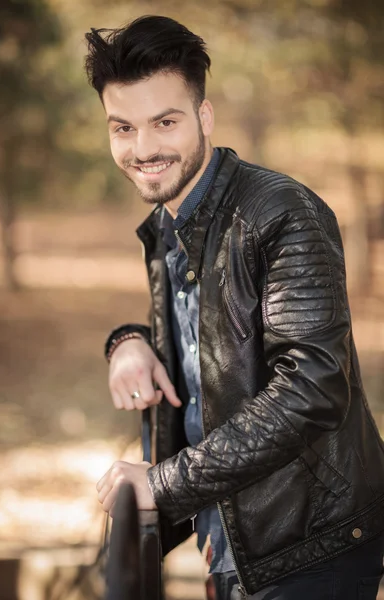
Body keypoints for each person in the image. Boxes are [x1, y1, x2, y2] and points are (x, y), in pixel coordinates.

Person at [84, 15, 384, 600]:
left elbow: (313, 387)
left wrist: (164, 484)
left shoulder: (279, 212)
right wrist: (127, 340)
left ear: (204, 117)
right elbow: (216, 343)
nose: (143, 149)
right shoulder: (174, 223)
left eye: (164, 122)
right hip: (232, 540)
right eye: (123, 127)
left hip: (310, 542)